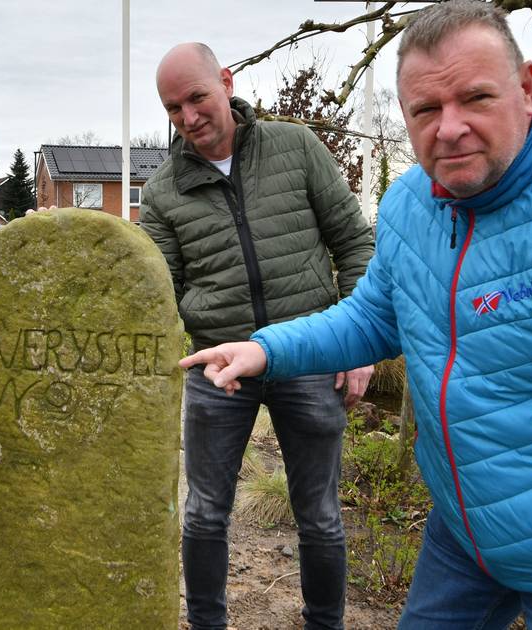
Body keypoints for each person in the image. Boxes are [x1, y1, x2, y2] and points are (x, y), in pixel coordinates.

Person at [180, 2, 532, 628]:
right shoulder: (410, 204)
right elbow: (372, 318)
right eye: (425, 109)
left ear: (526, 88)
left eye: (475, 98)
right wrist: (265, 349)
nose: (449, 129)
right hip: (463, 536)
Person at [140, 42, 375, 630]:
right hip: (218, 369)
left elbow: (354, 243)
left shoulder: (296, 148)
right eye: (174, 108)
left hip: (309, 354)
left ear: (226, 81)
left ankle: (325, 622)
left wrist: (358, 342)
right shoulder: (163, 192)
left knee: (319, 514)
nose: (189, 117)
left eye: (197, 97)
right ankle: (207, 623)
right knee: (204, 514)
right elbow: (158, 292)